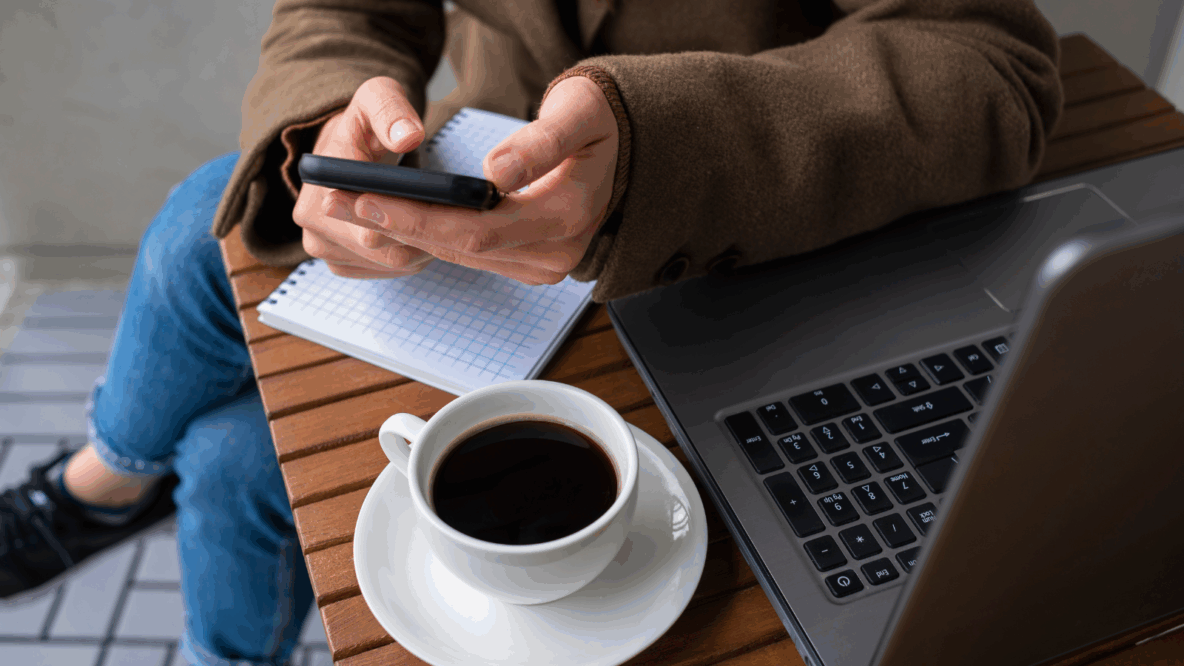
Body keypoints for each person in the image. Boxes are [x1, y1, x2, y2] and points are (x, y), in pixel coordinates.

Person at [0, 0, 1062, 663]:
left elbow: (989, 67)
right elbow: (344, 9)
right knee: (222, 351)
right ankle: (124, 489)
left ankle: (109, 485)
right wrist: (331, 112)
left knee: (233, 450)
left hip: (721, 255)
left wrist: (660, 152)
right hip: (473, 205)